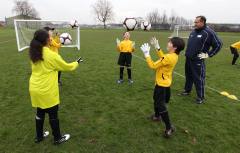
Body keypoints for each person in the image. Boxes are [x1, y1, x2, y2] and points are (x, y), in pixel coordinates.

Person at [29, 29, 81, 145]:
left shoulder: (34, 52)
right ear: (47, 40)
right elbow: (67, 67)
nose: (51, 38)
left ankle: (39, 136)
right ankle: (57, 138)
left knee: (40, 112)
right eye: (50, 37)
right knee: (53, 114)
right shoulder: (51, 55)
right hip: (47, 90)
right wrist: (76, 62)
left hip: (34, 88)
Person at [140, 37, 185, 138]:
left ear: (175, 47)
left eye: (170, 42)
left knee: (161, 105)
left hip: (162, 85)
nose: (168, 43)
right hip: (165, 82)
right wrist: (157, 47)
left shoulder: (169, 57)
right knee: (156, 99)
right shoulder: (174, 56)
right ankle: (157, 116)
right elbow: (164, 58)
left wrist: (147, 54)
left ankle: (169, 127)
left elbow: (152, 65)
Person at [178, 16, 222, 104]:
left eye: (196, 22)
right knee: (189, 76)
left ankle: (200, 97)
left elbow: (218, 45)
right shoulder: (193, 32)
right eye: (194, 22)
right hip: (188, 59)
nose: (195, 24)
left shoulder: (208, 32)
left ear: (202, 22)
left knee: (198, 79)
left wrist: (208, 55)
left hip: (198, 60)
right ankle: (187, 90)